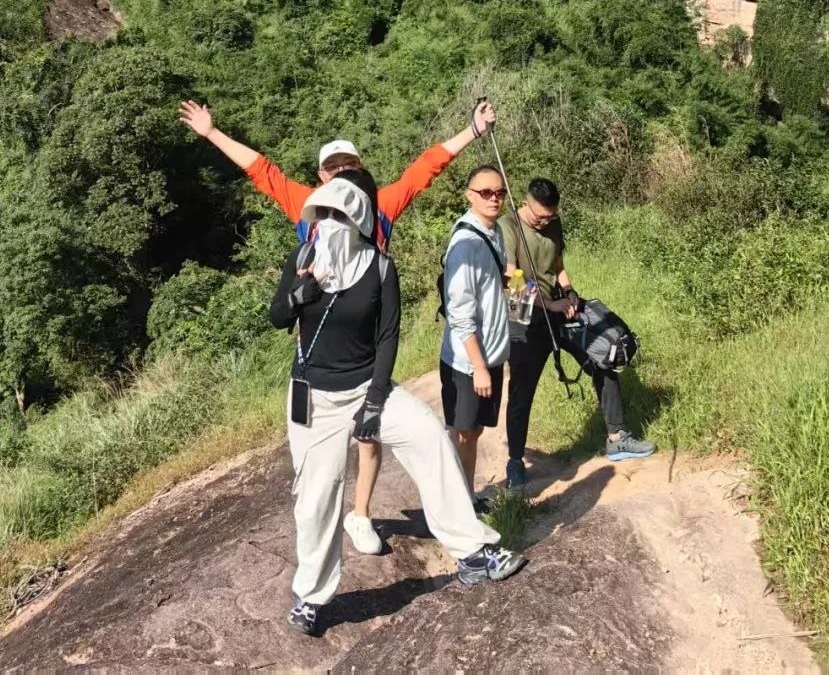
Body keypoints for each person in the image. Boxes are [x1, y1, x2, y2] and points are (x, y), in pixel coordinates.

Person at [179, 98, 495, 555]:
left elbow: (426, 168)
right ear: (321, 175)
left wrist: (473, 129)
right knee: (321, 457)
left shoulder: (379, 207)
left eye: (349, 165)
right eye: (333, 167)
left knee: (370, 430)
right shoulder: (307, 206)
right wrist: (211, 133)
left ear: (360, 170)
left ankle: (361, 514)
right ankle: (333, 530)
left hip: (366, 335)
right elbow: (262, 171)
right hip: (318, 345)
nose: (342, 172)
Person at [270, 166, 525, 638]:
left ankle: (473, 550)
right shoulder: (303, 257)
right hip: (314, 396)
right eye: (322, 213)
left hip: (368, 387)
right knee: (316, 495)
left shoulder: (380, 268)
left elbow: (387, 337)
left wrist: (374, 400)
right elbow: (277, 317)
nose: (328, 223)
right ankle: (311, 595)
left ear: (359, 220)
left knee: (429, 436)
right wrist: (298, 295)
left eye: (338, 214)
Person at [500, 177, 656, 490]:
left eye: (550, 217)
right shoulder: (508, 226)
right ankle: (515, 461)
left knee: (603, 356)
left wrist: (569, 292)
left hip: (560, 307)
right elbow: (511, 279)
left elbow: (558, 265)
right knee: (521, 390)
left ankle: (617, 438)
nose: (545, 222)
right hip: (523, 314)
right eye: (540, 217)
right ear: (526, 203)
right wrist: (549, 305)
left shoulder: (553, 224)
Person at [440, 164, 510, 507]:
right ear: (470, 195)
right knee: (464, 433)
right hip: (468, 362)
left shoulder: (494, 231)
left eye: (499, 192)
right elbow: (459, 313)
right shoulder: (465, 246)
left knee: (476, 430)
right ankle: (459, 505)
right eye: (486, 193)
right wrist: (479, 367)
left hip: (491, 354)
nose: (494, 198)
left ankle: (465, 497)